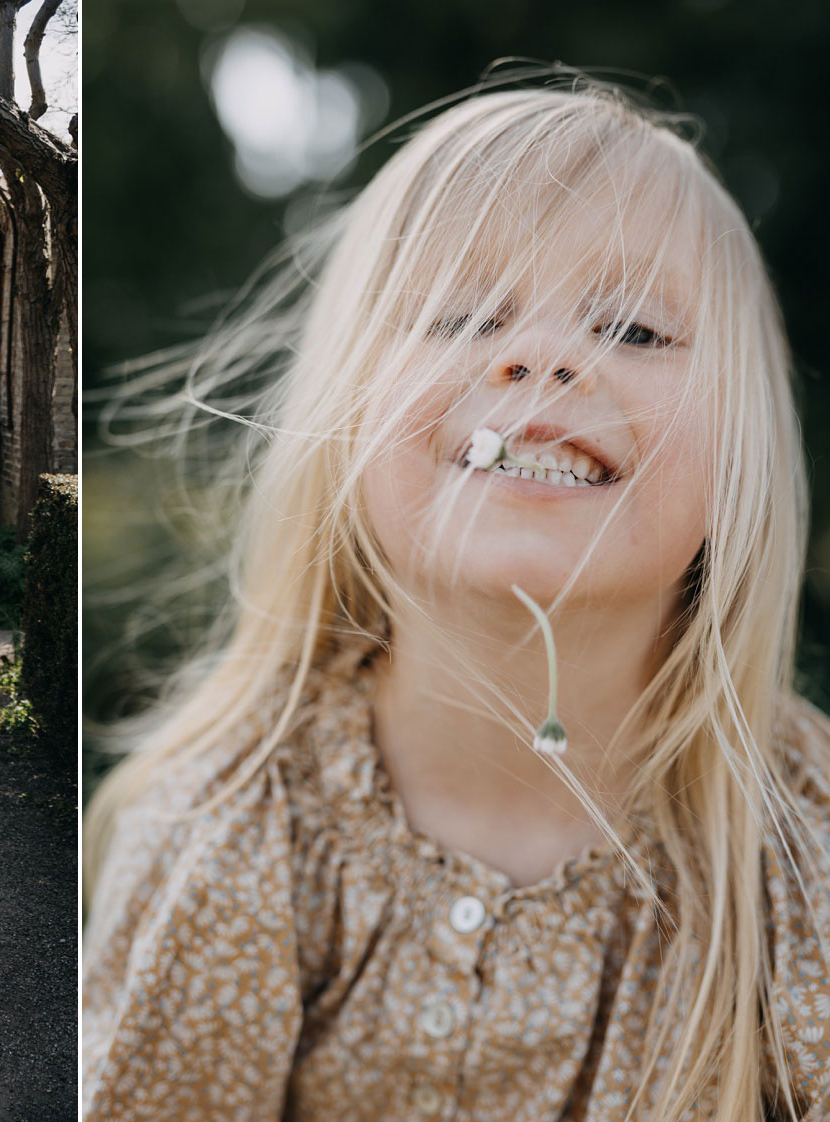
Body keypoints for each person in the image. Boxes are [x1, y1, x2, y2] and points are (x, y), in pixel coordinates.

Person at [83, 81, 830, 1121]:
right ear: (346, 409)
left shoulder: (805, 850)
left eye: (635, 329)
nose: (545, 355)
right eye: (466, 316)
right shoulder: (232, 828)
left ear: (748, 446)